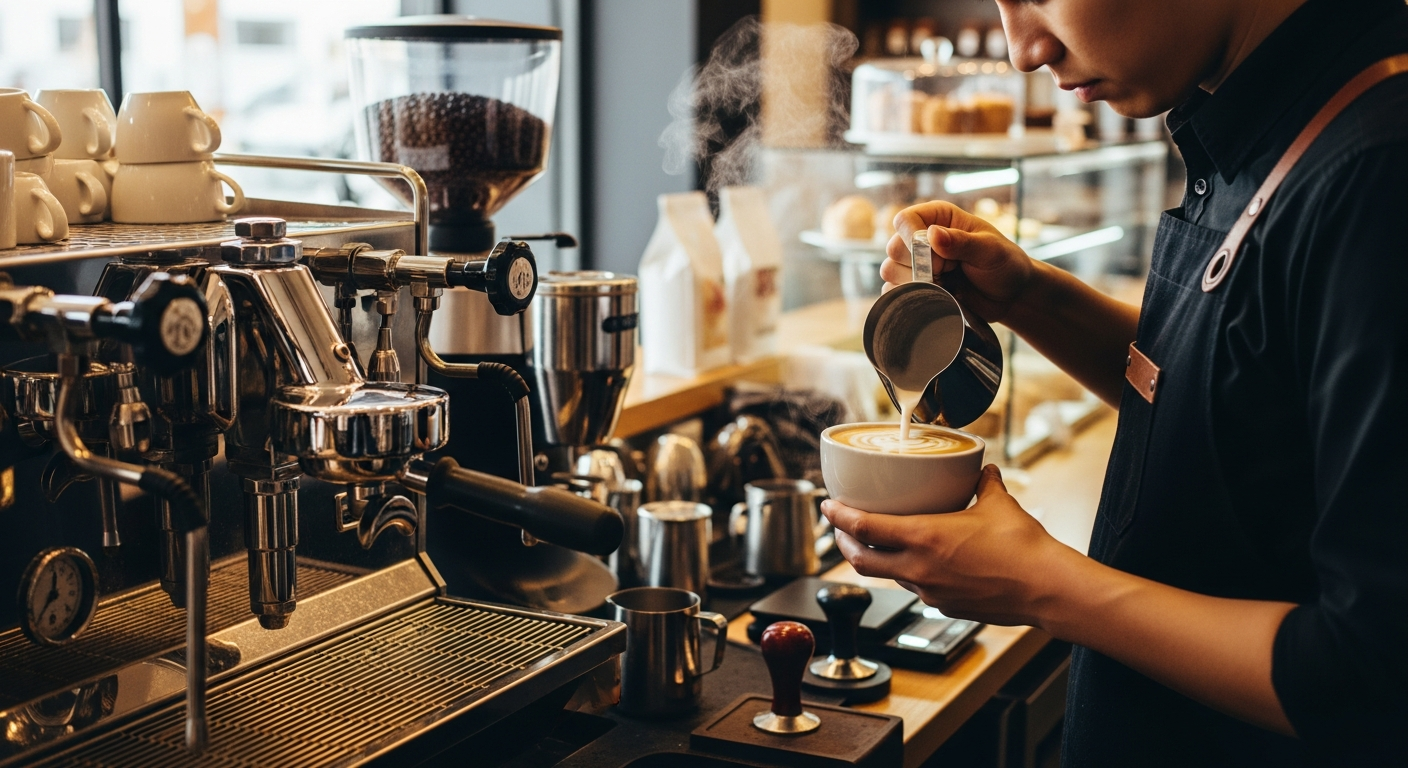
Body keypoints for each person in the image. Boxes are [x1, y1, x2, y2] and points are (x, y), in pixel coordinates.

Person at [819, 0, 1408, 765]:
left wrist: (1044, 586)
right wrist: (1031, 297)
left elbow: (1370, 677)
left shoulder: (1378, 169)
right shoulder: (1266, 116)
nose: (1023, 48)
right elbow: (1245, 394)